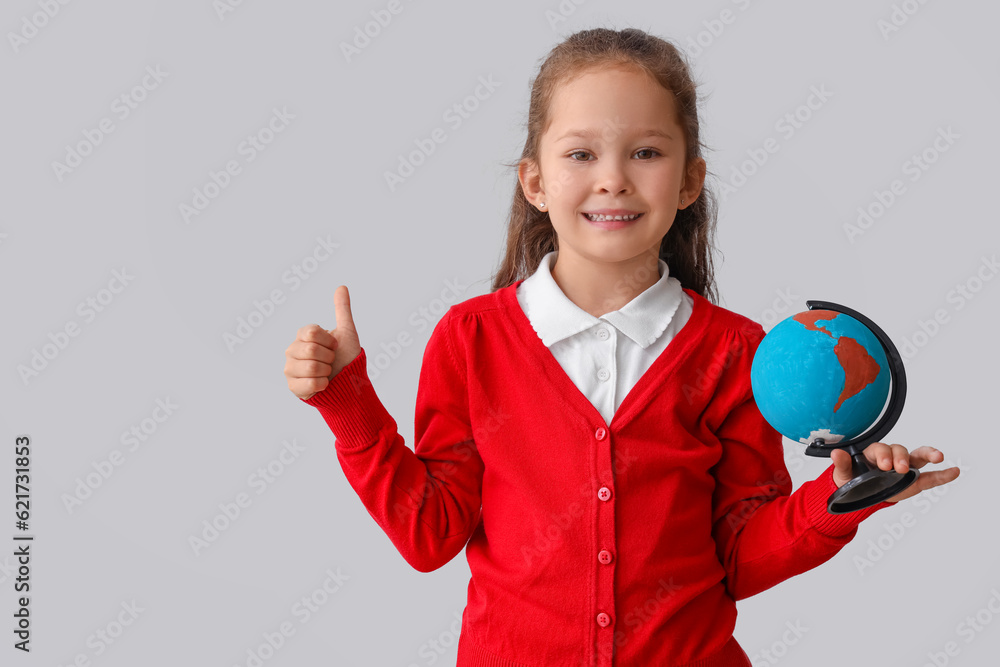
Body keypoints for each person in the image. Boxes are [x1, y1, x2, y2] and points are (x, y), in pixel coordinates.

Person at [284, 27, 960, 667]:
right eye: (581, 154)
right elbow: (428, 534)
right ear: (535, 182)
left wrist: (838, 500)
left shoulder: (736, 352)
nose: (613, 178)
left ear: (690, 181)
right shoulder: (471, 339)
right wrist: (349, 406)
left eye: (646, 152)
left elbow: (738, 557)